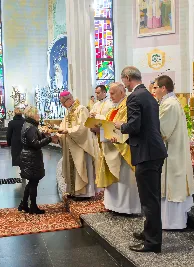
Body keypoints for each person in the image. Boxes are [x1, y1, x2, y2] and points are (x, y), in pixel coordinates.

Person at [114, 66, 167, 253]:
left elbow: (135, 126)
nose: (123, 84)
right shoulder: (148, 95)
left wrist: (121, 126)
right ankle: (149, 233)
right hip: (153, 151)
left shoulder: (134, 97)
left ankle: (153, 243)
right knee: (151, 198)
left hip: (146, 153)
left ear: (128, 78)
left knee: (149, 200)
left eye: (123, 80)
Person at [152, 75, 194, 229]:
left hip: (172, 152)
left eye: (156, 87)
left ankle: (172, 223)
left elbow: (162, 130)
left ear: (164, 88)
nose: (154, 91)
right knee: (171, 184)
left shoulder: (169, 104)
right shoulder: (170, 102)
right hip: (171, 150)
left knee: (172, 186)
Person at [97, 82, 141, 215]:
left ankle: (127, 208)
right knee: (115, 180)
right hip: (111, 147)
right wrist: (99, 125)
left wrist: (113, 135)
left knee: (124, 179)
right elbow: (109, 124)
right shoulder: (113, 108)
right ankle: (113, 205)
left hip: (123, 150)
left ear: (122, 92)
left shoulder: (127, 106)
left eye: (112, 93)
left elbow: (129, 126)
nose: (110, 96)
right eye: (109, 93)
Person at [55, 92, 100, 199]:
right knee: (72, 168)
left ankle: (85, 193)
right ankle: (74, 191)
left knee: (81, 167)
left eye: (63, 103)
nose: (62, 105)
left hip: (81, 145)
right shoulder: (69, 111)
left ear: (69, 99)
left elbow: (83, 127)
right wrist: (57, 134)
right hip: (71, 145)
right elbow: (63, 126)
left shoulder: (81, 109)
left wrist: (68, 131)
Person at [18, 106, 55, 214]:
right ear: (32, 115)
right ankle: (33, 207)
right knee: (33, 182)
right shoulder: (31, 127)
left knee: (31, 182)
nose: (39, 115)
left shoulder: (28, 125)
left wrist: (43, 134)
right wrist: (49, 139)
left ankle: (24, 204)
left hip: (29, 156)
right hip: (31, 157)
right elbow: (35, 144)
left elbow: (33, 138)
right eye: (37, 113)